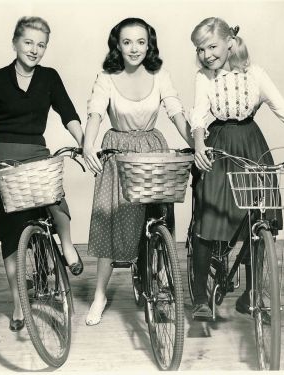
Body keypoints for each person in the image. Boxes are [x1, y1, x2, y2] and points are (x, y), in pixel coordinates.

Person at [188, 17, 284, 319]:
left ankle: (251, 295)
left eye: (212, 46)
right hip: (219, 146)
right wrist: (199, 146)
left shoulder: (255, 74)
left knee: (258, 218)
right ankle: (199, 297)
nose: (207, 54)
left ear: (229, 41)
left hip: (252, 145)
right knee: (208, 220)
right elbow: (199, 115)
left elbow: (283, 108)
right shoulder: (203, 77)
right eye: (200, 49)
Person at [0, 16, 84, 332]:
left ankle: (66, 245)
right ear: (15, 42)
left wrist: (84, 143)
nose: (35, 49)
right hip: (2, 155)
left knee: (55, 199)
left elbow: (69, 114)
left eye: (41, 44)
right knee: (10, 233)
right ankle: (18, 301)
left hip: (36, 152)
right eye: (29, 42)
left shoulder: (49, 77)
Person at [83, 17, 193, 326]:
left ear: (149, 44)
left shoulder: (160, 75)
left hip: (152, 149)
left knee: (156, 218)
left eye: (141, 42)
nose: (134, 48)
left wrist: (197, 144)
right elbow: (94, 112)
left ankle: (156, 284)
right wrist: (88, 145)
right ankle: (100, 295)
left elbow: (176, 113)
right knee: (109, 217)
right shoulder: (106, 76)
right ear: (117, 44)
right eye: (128, 42)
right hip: (118, 151)